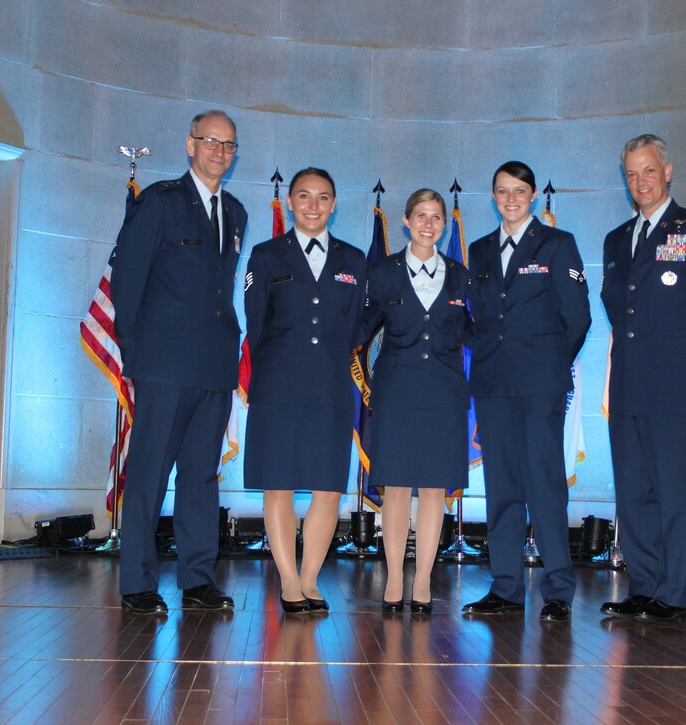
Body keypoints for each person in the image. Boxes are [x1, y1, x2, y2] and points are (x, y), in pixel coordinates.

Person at [600, 133, 686, 622]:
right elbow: (619, 310)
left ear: (668, 171)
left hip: (675, 387)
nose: (641, 181)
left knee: (675, 491)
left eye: (649, 171)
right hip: (628, 387)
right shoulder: (617, 240)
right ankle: (644, 585)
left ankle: (673, 594)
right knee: (634, 489)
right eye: (632, 174)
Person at [111, 110, 246, 614]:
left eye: (229, 145)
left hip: (213, 366)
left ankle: (197, 579)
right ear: (189, 145)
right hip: (162, 364)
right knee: (149, 472)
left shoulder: (235, 212)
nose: (219, 151)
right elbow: (127, 284)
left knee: (200, 476)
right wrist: (135, 354)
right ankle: (137, 583)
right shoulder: (160, 203)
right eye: (210, 141)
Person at [462, 161, 591, 622]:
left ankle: (558, 589)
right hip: (494, 386)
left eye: (519, 191)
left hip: (540, 387)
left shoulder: (557, 245)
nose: (511, 199)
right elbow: (472, 318)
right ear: (493, 196)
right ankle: (506, 587)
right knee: (501, 489)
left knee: (545, 485)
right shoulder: (478, 251)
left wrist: (550, 368)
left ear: (533, 195)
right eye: (502, 191)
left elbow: (578, 318)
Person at [242, 167, 366, 615]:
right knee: (279, 484)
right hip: (279, 383)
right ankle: (289, 581)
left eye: (323, 197)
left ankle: (311, 578)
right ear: (290, 202)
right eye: (304, 196)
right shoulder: (266, 255)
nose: (313, 205)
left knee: (328, 487)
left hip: (331, 385)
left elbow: (357, 325)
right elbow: (256, 325)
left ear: (334, 204)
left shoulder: (354, 260)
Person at [361, 189, 472, 615]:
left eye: (437, 217)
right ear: (405, 220)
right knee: (395, 490)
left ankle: (423, 580)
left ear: (445, 224)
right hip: (396, 394)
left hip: (444, 395)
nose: (429, 224)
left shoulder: (461, 274)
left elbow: (469, 329)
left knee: (432, 491)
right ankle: (393, 578)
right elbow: (363, 326)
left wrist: (513, 341)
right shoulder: (383, 272)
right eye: (420, 216)